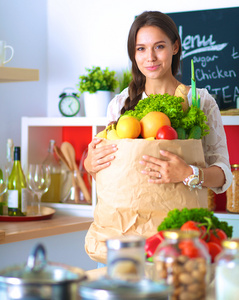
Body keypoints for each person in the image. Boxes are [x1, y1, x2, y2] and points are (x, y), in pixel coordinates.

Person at [84, 11, 232, 264]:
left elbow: (224, 175)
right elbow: (111, 173)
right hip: (127, 233)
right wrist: (90, 165)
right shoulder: (119, 104)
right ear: (133, 54)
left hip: (180, 236)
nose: (150, 57)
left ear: (175, 47)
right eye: (141, 49)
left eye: (159, 46)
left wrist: (188, 173)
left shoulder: (200, 101)